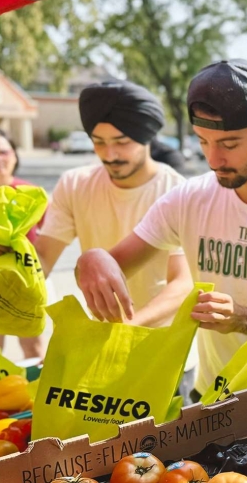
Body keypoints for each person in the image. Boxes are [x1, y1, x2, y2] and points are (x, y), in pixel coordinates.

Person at [74, 60, 247, 410]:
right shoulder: (188, 198)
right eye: (204, 141)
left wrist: (244, 318)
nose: (214, 159)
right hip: (212, 397)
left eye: (230, 144)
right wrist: (92, 259)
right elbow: (115, 262)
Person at [34, 80, 196, 396]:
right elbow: (42, 260)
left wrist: (128, 331)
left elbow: (183, 283)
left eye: (121, 141)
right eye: (98, 142)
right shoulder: (75, 184)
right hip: (103, 352)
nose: (109, 154)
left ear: (146, 136)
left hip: (164, 352)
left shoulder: (178, 191)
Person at [0, 130, 46, 358]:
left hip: (27, 284)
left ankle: (33, 390)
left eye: (3, 152)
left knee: (34, 348)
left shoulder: (30, 194)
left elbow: (49, 242)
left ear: (14, 156)